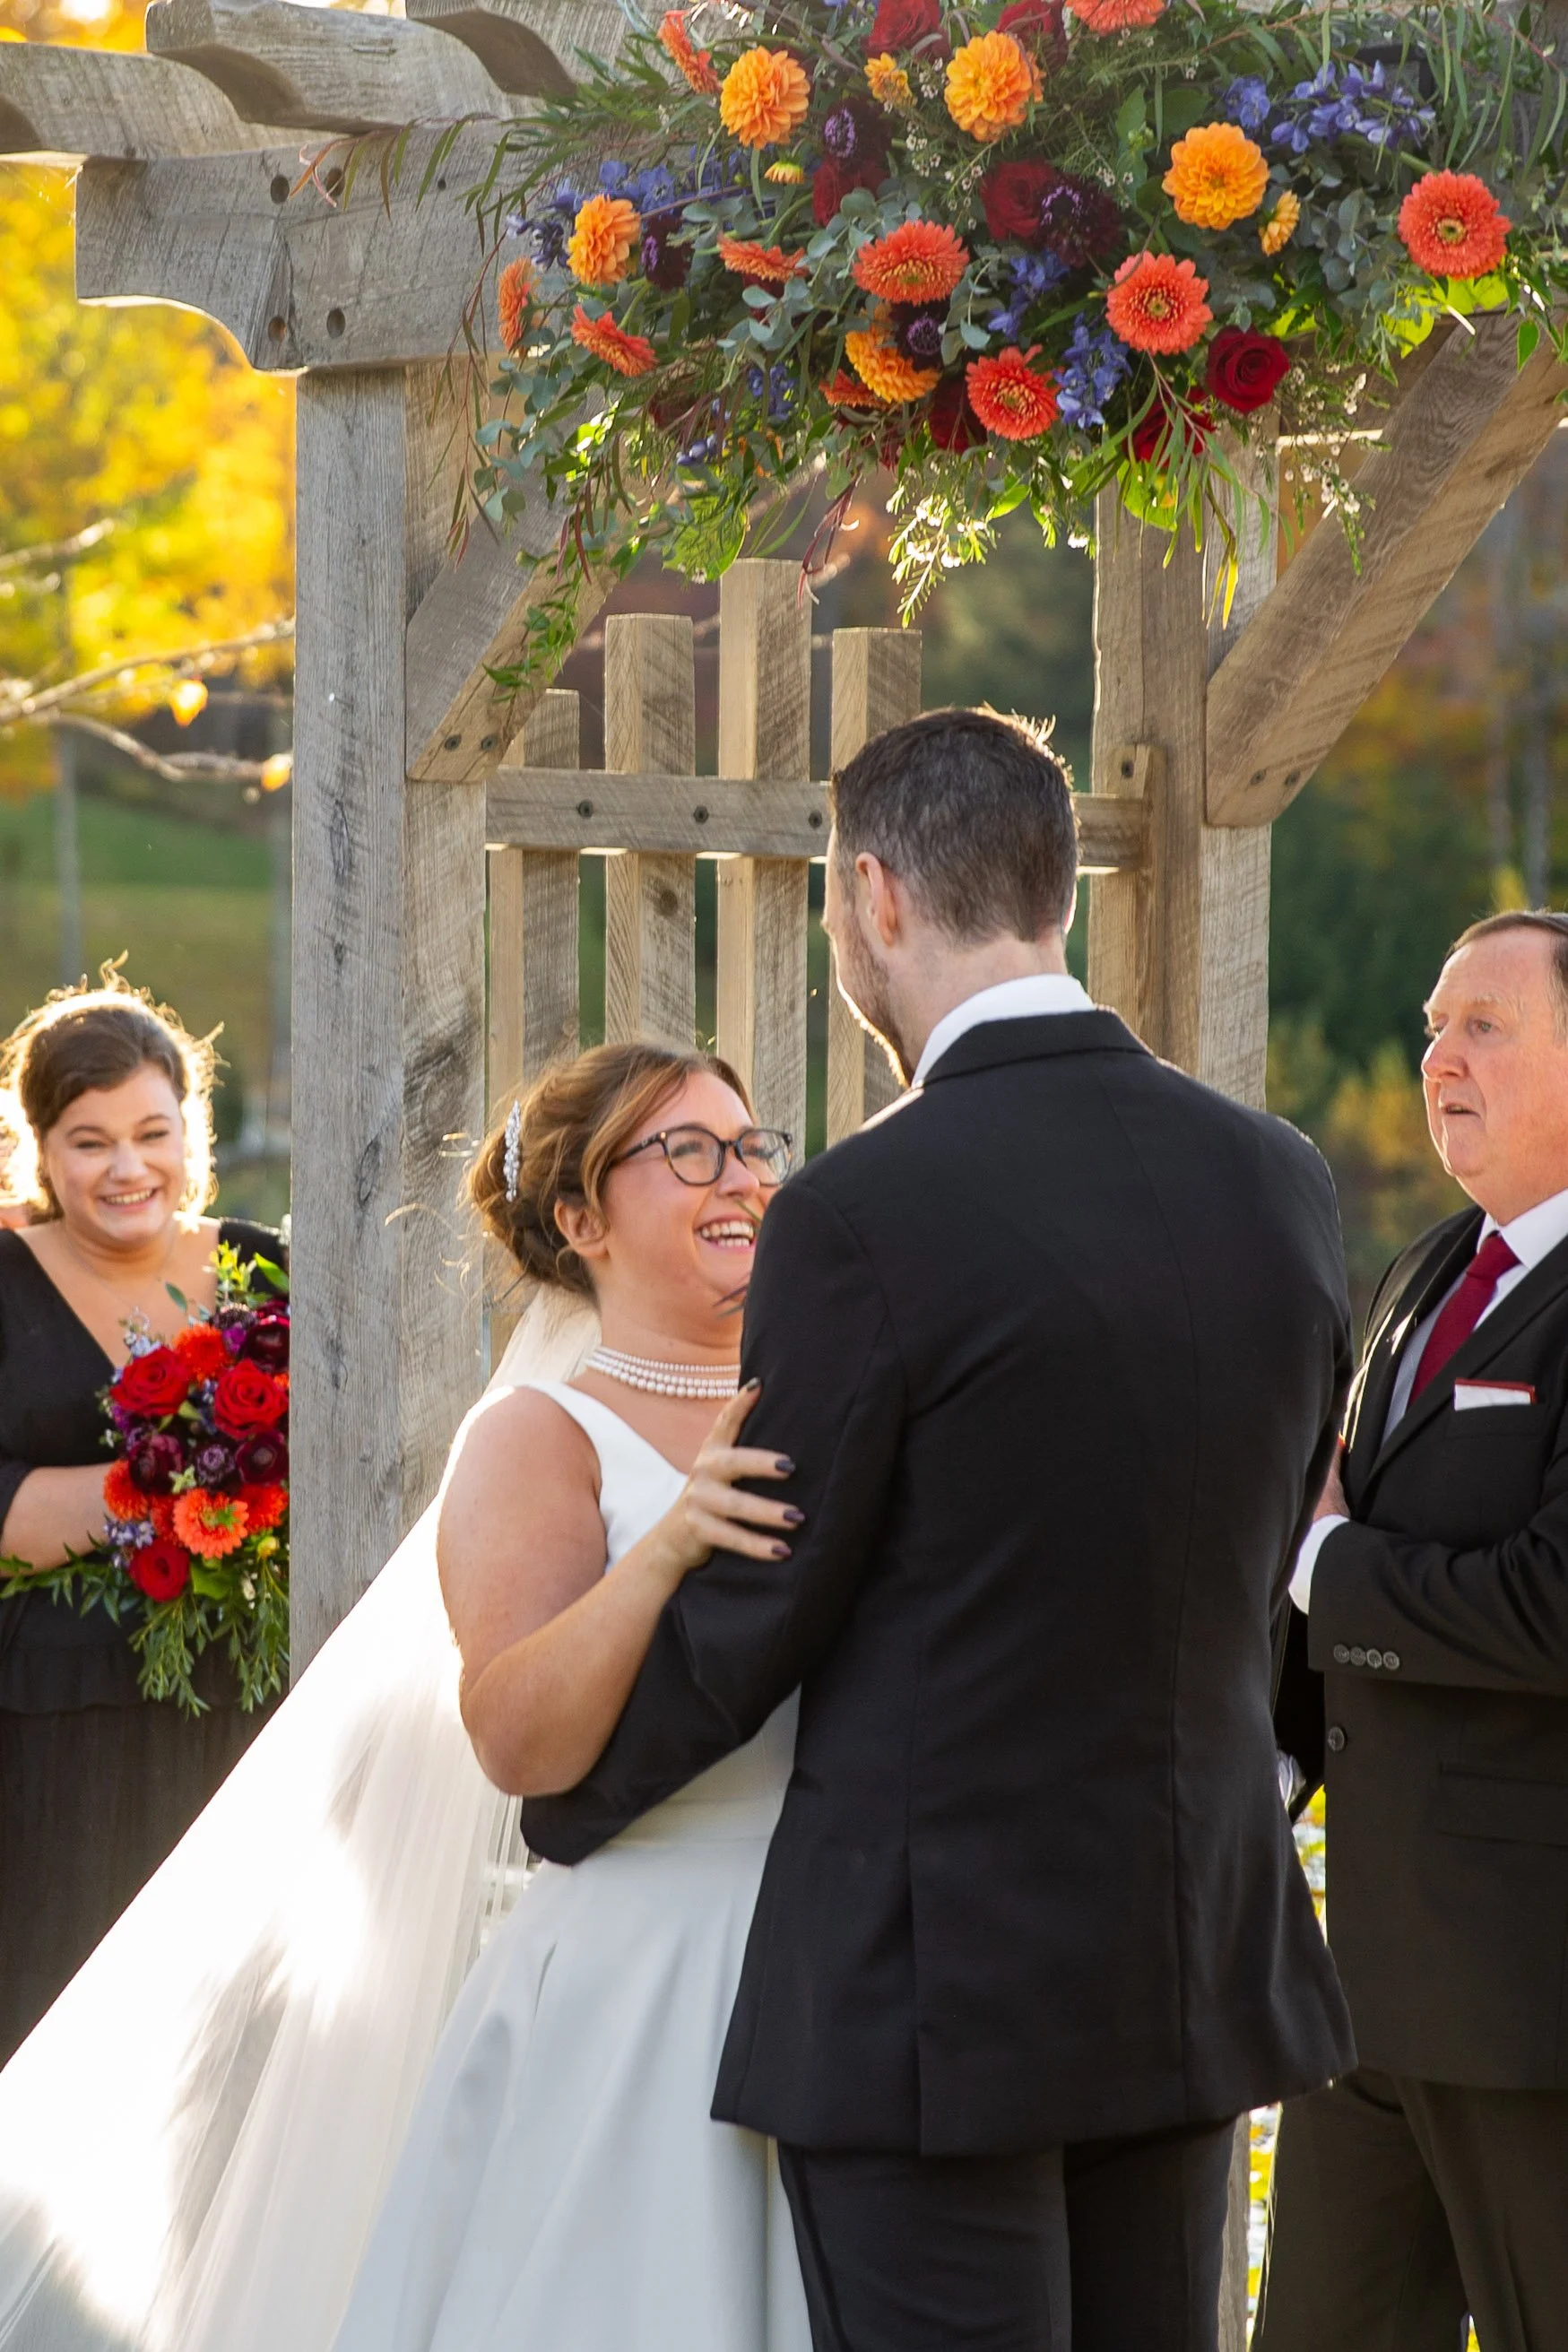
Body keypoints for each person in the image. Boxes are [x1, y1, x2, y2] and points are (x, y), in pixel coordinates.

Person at [521, 707, 1356, 2352]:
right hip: (1188, 1948)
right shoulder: (1274, 1177)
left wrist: (572, 1798)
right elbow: (1274, 1548)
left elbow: (778, 1578)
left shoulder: (860, 1208)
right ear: (1051, 889)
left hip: (934, 1990)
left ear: (874, 896)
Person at [330, 1041, 811, 2351]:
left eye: (752, 1144)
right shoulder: (541, 1433)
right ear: (579, 1218)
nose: (741, 1178)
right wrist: (666, 1542)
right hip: (643, 1979)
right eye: (690, 1150)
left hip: (832, 1960)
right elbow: (518, 1735)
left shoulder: (825, 1402)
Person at [1260, 910, 1568, 2352]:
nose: (1436, 1055)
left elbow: (1547, 1604)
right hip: (1363, 1987)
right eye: (1433, 1025)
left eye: (1483, 1027)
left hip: (1531, 2000)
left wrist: (1328, 1562)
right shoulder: (1427, 1269)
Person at [0, 976, 282, 2061]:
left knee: (223, 2041)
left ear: (190, 1132)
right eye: (89, 1141)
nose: (127, 1168)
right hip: (53, 1718)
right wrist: (173, 1488)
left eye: (152, 1133)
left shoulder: (260, 1267)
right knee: (58, 2013)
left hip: (240, 1703)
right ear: (42, 1149)